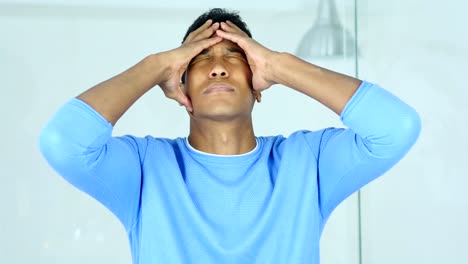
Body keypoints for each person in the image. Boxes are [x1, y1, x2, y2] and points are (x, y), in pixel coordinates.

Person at [39, 8, 421, 264]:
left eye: (235, 57)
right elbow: (64, 142)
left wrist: (279, 65)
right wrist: (156, 66)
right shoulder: (145, 170)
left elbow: (395, 128)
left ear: (257, 83)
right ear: (180, 86)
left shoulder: (307, 162)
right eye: (201, 58)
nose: (218, 67)